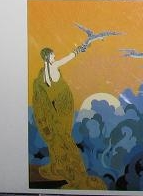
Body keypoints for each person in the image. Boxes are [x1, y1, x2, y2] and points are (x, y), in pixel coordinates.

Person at [32, 42, 107, 189]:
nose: (54, 56)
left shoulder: (43, 73)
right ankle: (72, 173)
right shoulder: (53, 67)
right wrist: (79, 50)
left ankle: (66, 168)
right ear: (48, 57)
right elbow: (69, 57)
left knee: (61, 138)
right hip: (62, 105)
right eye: (52, 54)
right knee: (62, 138)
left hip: (58, 106)